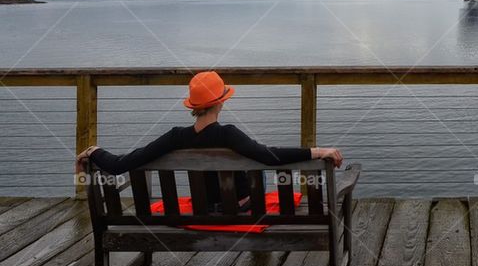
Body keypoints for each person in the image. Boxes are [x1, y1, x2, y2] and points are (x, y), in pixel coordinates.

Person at [75, 71, 343, 206]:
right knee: (256, 167)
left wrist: (94, 151)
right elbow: (270, 157)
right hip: (240, 208)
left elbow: (121, 163)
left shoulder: (175, 137)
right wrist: (317, 151)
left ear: (194, 106)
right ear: (220, 103)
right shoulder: (228, 135)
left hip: (203, 207)